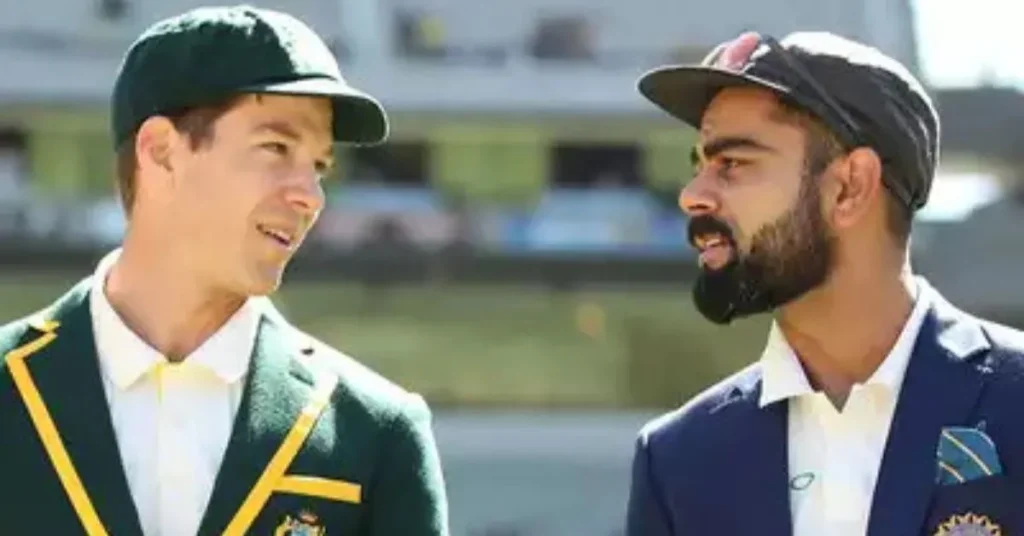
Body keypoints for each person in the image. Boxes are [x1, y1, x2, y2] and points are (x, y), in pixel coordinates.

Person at [0, 5, 449, 535]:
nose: (309, 196)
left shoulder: (375, 433)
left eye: (319, 166)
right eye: (276, 148)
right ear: (162, 151)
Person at [625, 31, 1024, 536]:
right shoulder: (678, 460)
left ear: (849, 187)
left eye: (733, 163)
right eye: (700, 166)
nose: (693, 196)